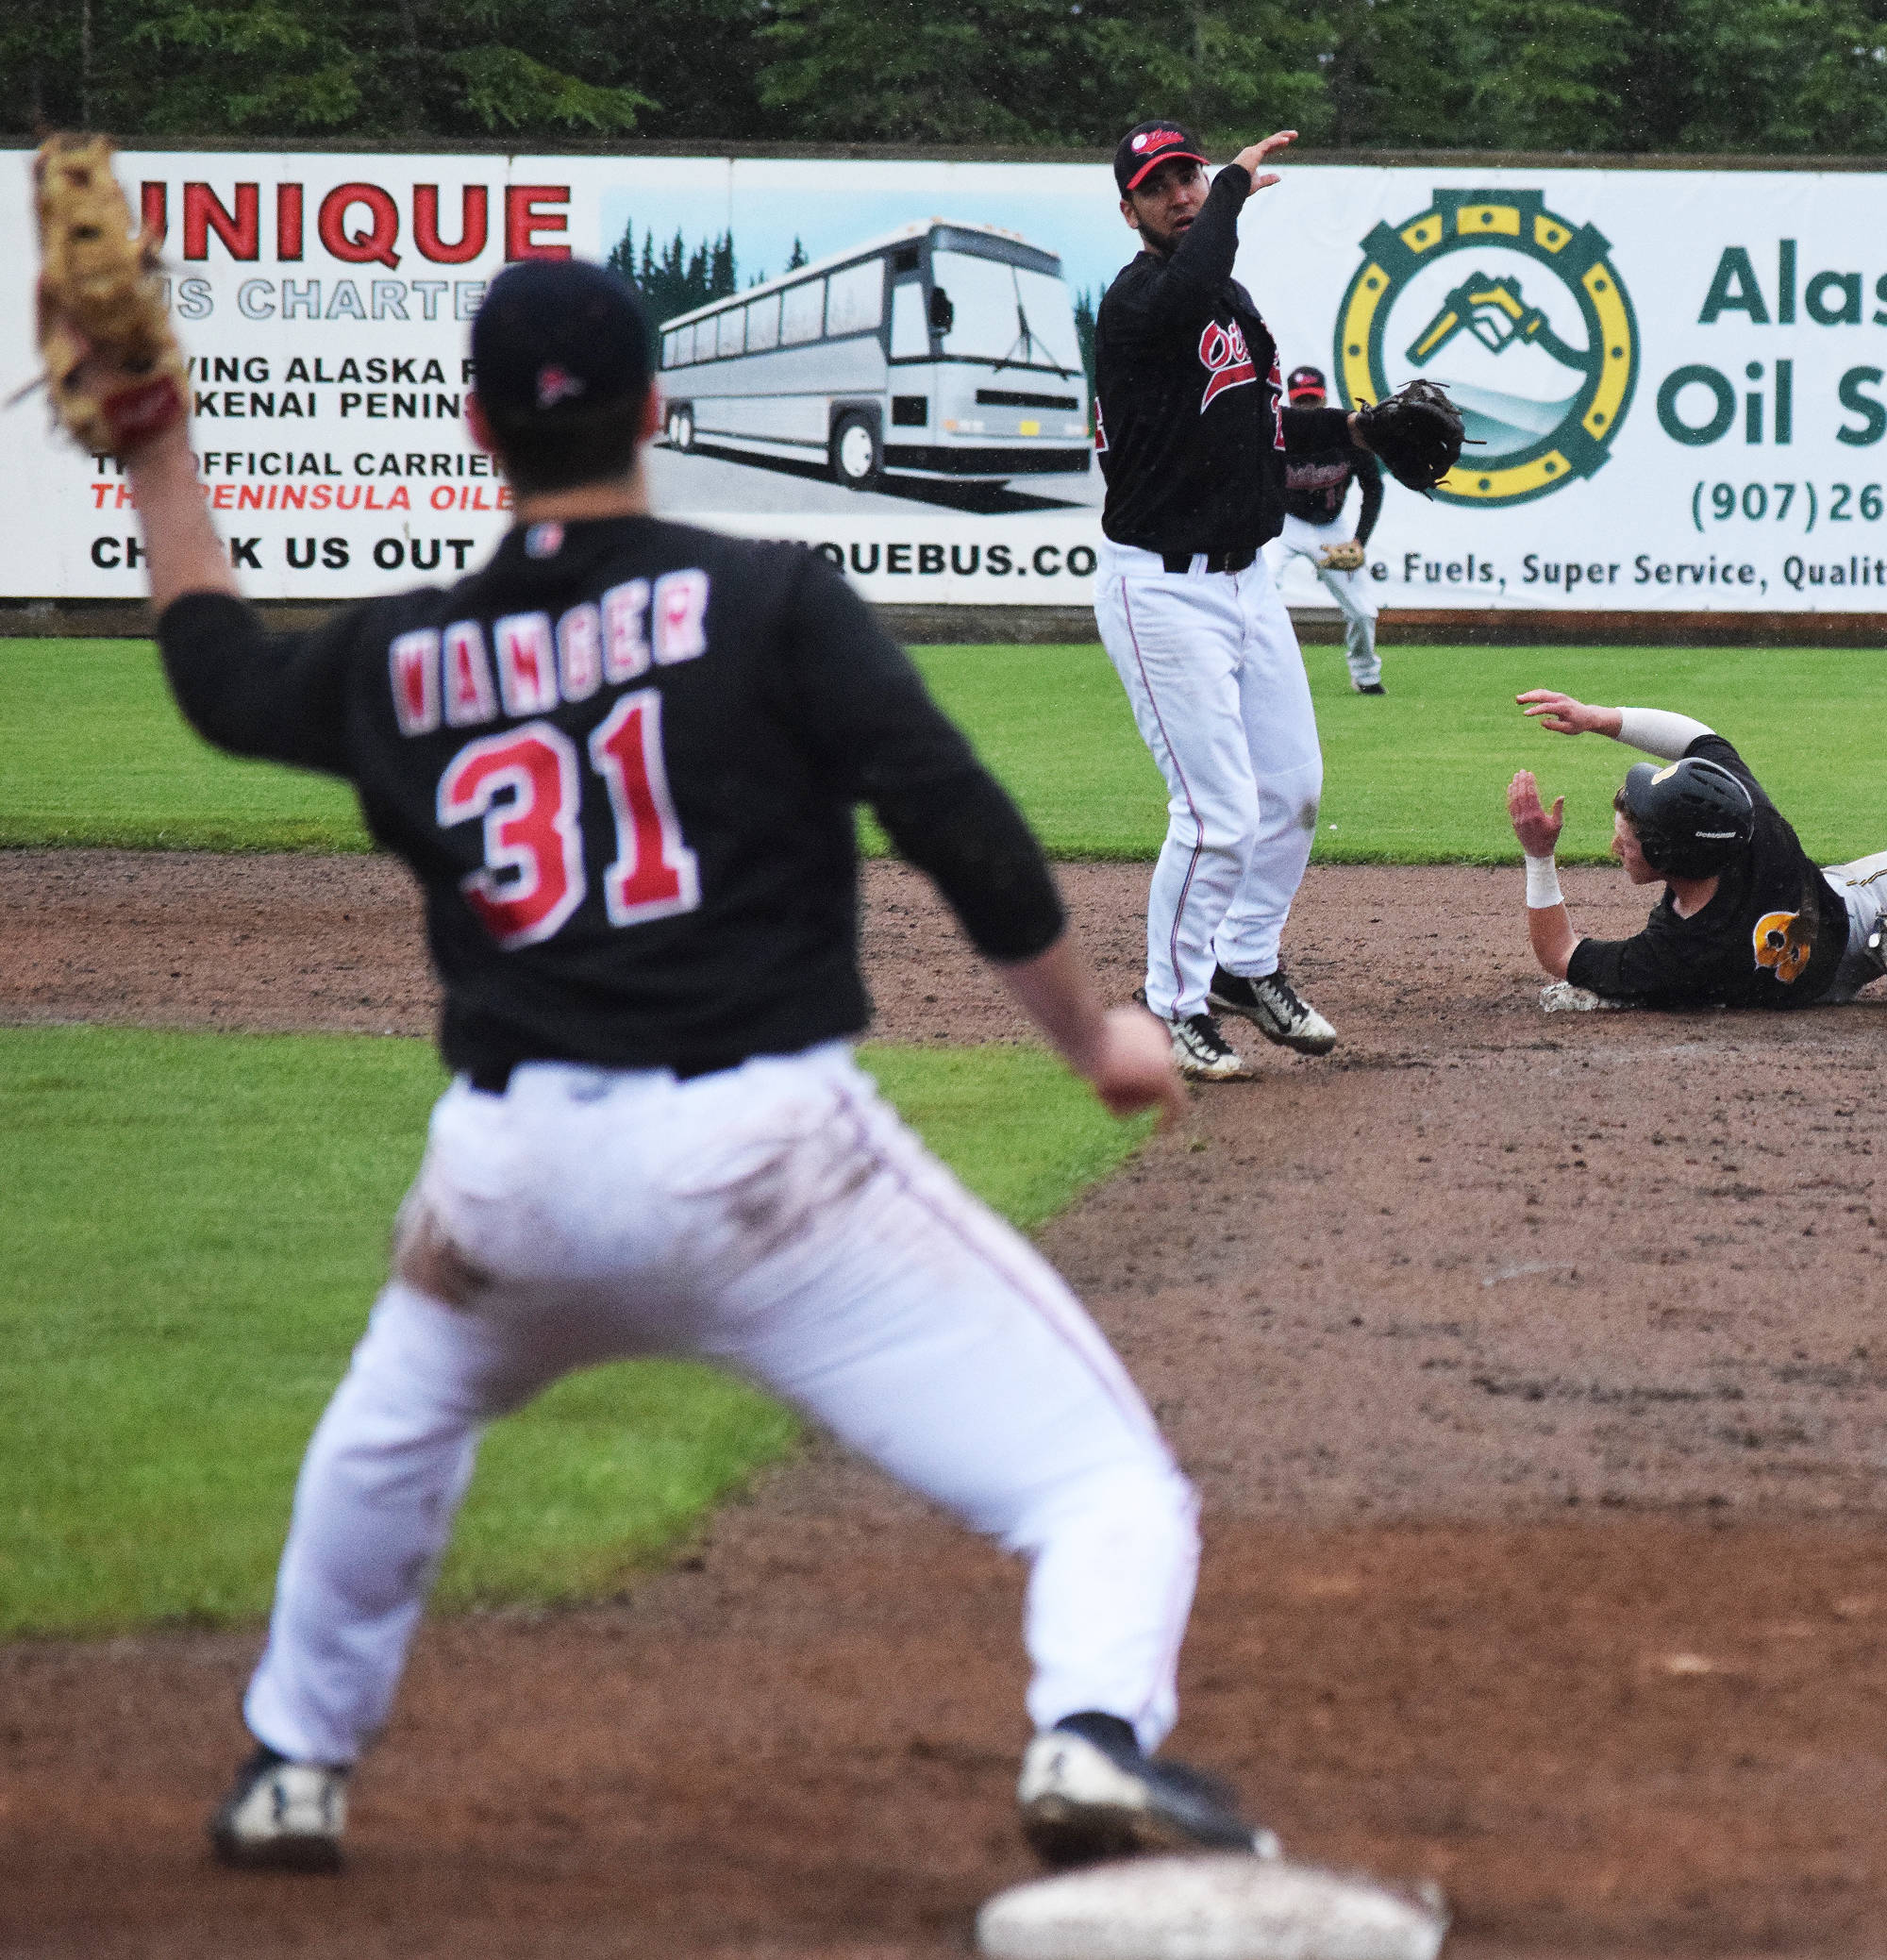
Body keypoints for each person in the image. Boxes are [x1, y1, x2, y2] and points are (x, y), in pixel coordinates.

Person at [68, 257, 1279, 1875]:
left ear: (476, 428)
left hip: (506, 1180)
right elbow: (960, 823)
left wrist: (156, 452)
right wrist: (1095, 1036)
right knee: (1106, 1484)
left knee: (388, 1439)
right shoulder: (771, 601)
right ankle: (1088, 1732)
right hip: (764, 1160)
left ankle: (292, 1760)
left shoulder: (404, 653)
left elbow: (221, 684)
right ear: (654, 408)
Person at [1093, 120, 1381, 1081]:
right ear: (1128, 207)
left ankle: (1241, 963)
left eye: (1187, 177)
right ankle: (1167, 1005)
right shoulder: (1137, 301)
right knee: (1213, 814)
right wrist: (1228, 189)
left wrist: (1350, 431)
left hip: (1247, 584)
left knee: (1291, 793)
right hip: (1160, 591)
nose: (1180, 193)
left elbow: (1249, 421)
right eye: (1160, 184)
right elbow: (1183, 289)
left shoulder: (1227, 299)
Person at [1506, 688, 1887, 1008]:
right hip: (1853, 915)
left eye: (1626, 841)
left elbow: (1560, 952)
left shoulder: (1674, 954)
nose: (1613, 848)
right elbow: (1700, 740)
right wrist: (1596, 718)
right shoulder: (1751, 824)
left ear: (1668, 855)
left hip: (1848, 931)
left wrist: (1539, 854)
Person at [1266, 364, 1386, 695]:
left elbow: (1373, 487)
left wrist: (1359, 541)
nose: (1306, 406)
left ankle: (1366, 676)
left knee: (1363, 612)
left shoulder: (1347, 436)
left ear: (1324, 398)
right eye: (1300, 400)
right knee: (1260, 590)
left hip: (1332, 526)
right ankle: (1259, 673)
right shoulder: (1275, 434)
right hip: (1284, 524)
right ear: (1290, 398)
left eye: (1312, 399)